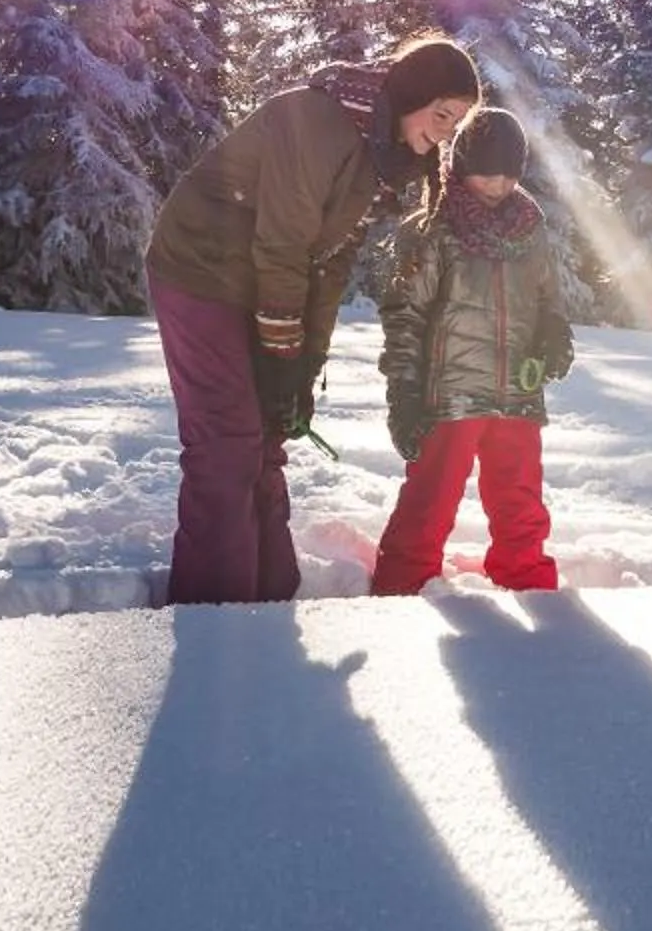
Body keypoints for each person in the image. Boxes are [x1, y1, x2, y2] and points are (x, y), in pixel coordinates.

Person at [144, 36, 481, 603]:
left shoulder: (382, 155)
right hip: (201, 269)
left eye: (458, 123)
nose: (447, 131)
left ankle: (270, 595)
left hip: (256, 277)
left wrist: (301, 368)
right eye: (442, 114)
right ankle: (214, 615)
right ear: (411, 95)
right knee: (227, 441)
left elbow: (329, 264)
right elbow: (283, 244)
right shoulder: (319, 121)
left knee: (268, 432)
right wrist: (280, 349)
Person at [368, 107, 573, 594]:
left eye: (507, 173)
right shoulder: (433, 228)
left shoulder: (530, 229)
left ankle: (528, 585)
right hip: (450, 396)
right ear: (460, 166)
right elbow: (405, 317)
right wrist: (405, 393)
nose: (497, 184)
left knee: (521, 502)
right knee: (430, 500)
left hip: (517, 394)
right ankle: (399, 588)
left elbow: (548, 300)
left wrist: (554, 337)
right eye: (485, 171)